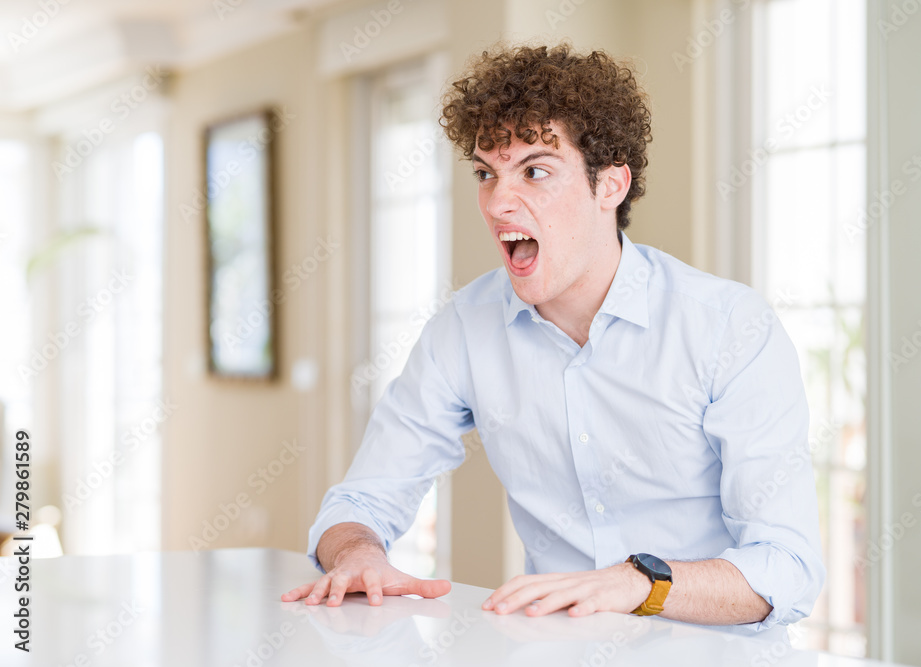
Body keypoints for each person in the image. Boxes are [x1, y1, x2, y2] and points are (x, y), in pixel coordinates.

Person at [282, 43, 824, 631]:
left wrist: (636, 582)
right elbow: (360, 501)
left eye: (535, 171)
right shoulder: (465, 328)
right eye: (486, 174)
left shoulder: (728, 328)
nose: (497, 203)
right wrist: (360, 555)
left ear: (610, 185)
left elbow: (787, 569)